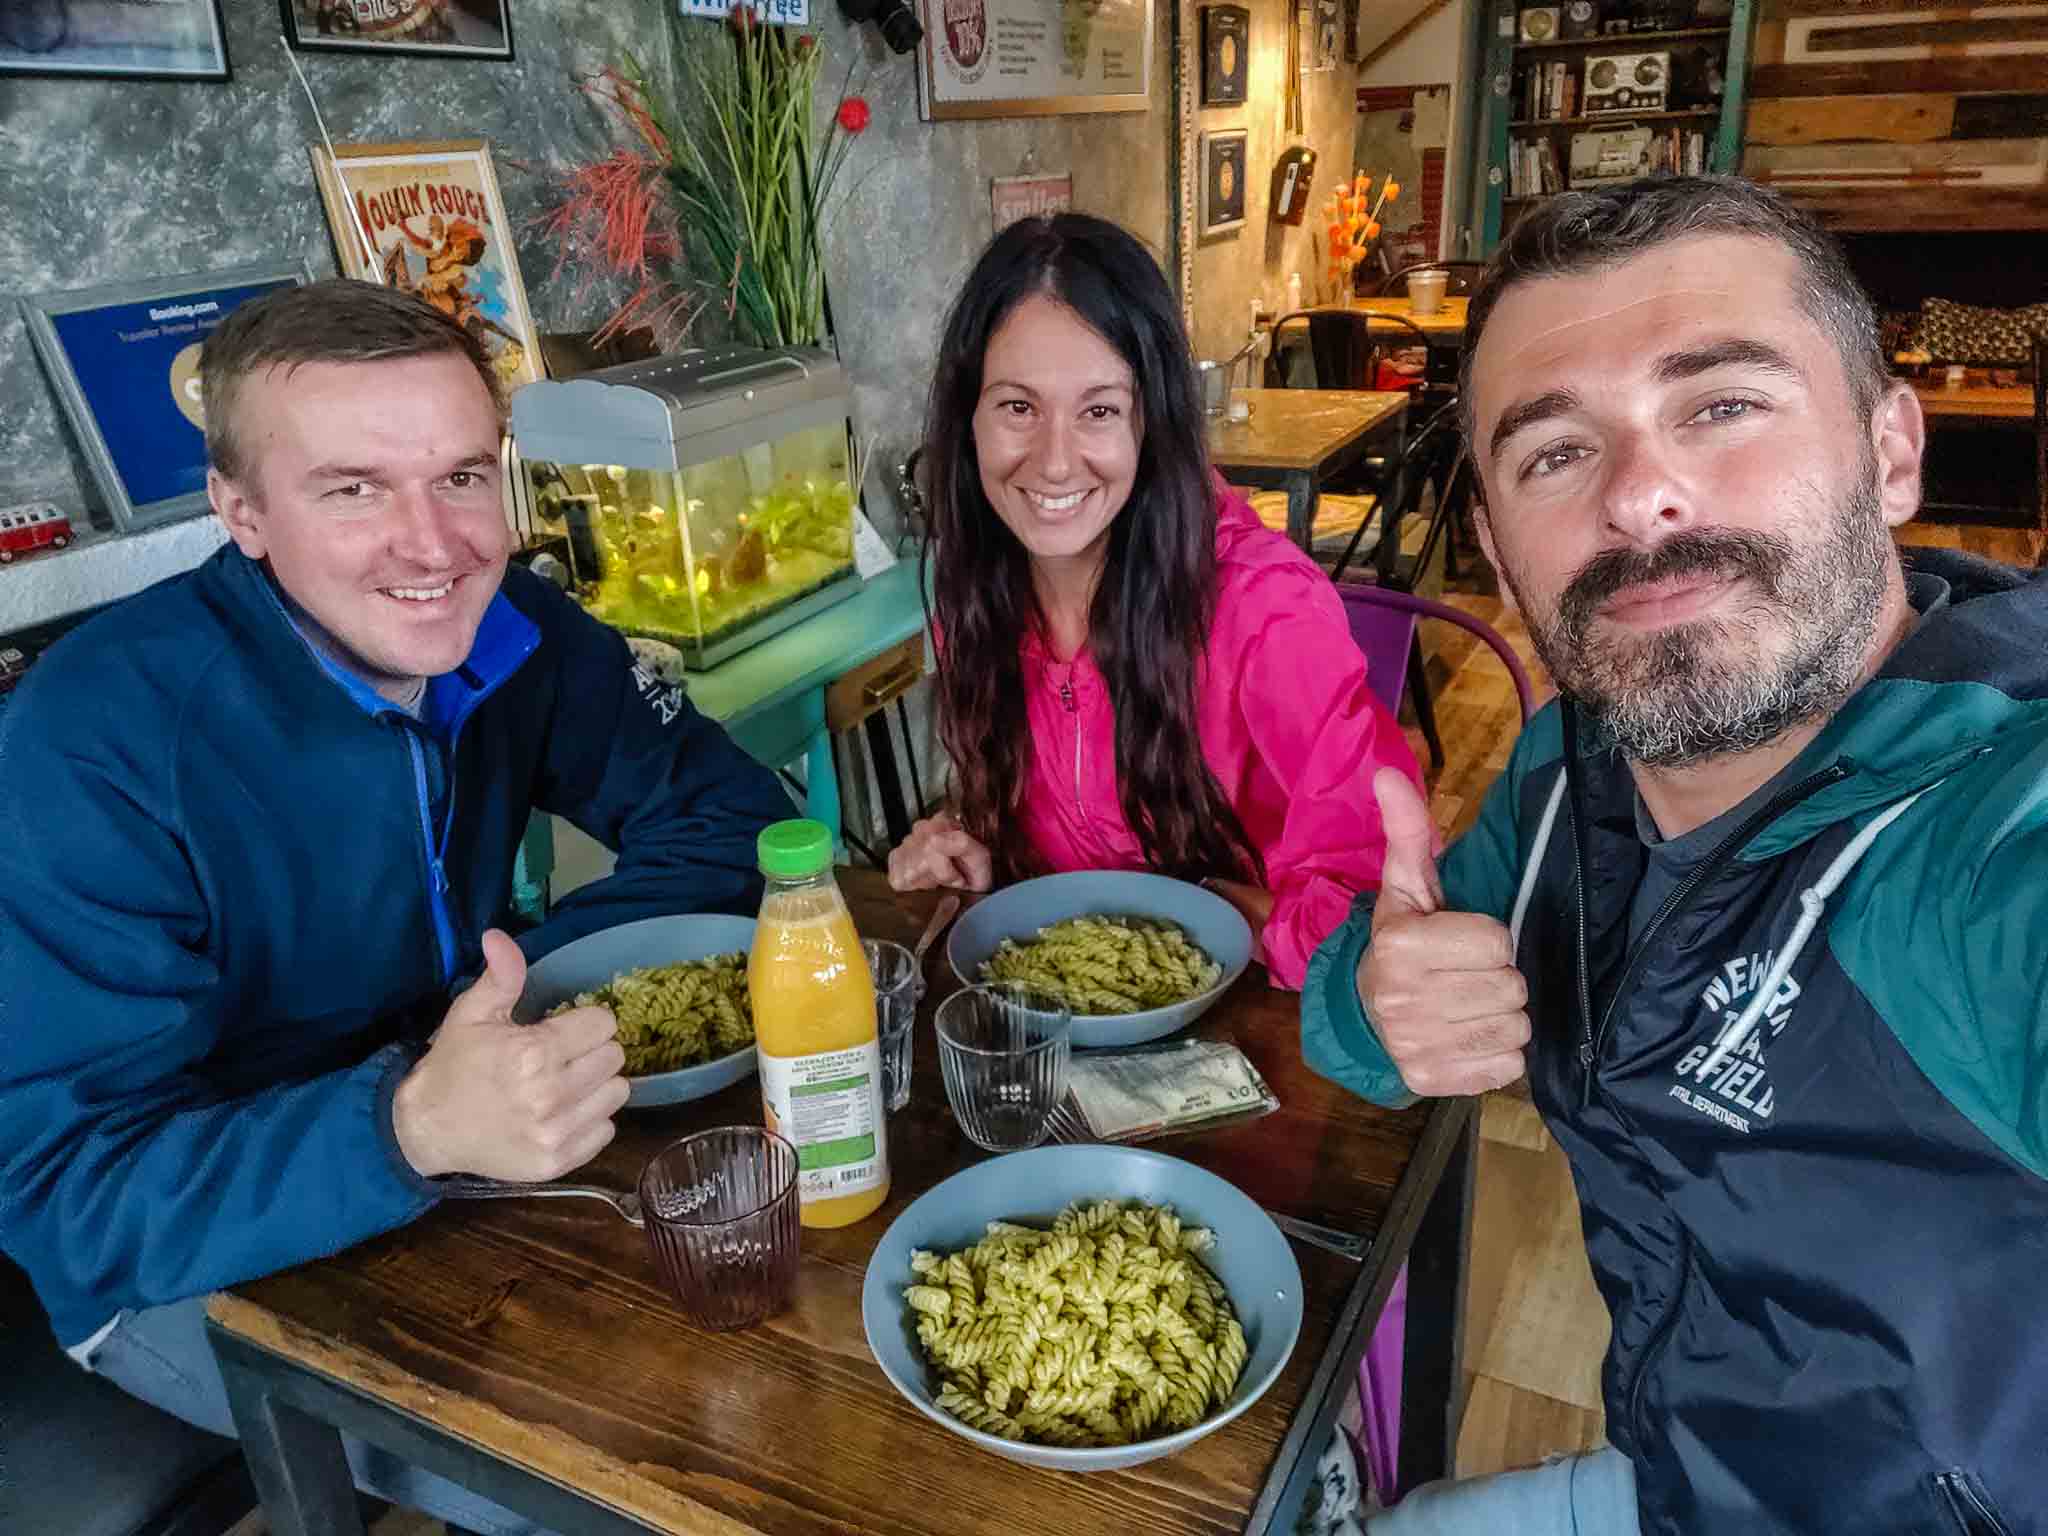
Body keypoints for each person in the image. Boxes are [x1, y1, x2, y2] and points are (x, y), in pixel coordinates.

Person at [1300, 175, 2048, 1535]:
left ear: (1891, 451)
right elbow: (1360, 1025)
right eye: (1554, 452)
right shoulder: (1559, 787)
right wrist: (1372, 997)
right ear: (1491, 545)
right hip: (1685, 1484)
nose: (1643, 496)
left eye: (1721, 406)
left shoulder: (1989, 844)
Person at [0, 280, 792, 1535]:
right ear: (240, 509)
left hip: (445, 1133)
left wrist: (528, 992)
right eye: (354, 488)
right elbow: (74, 1199)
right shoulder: (88, 744)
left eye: (464, 478)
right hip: (176, 1261)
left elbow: (729, 815)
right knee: (631, 1485)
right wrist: (410, 1120)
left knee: (768, 1357)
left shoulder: (510, 622)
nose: (435, 546)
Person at [887, 212, 1421, 990]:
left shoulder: (1268, 612)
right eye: (1017, 407)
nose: (1055, 460)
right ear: (967, 419)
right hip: (1065, 1033)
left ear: (1152, 421)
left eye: (1099, 409)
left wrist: (1197, 908)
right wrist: (974, 853)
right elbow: (1065, 835)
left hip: (1261, 1039)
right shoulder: (978, 595)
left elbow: (1373, 924)